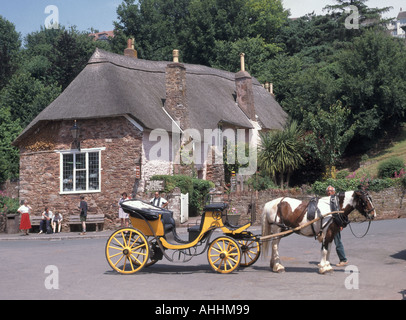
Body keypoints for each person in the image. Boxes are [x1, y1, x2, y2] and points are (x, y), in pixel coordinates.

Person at [326, 185, 348, 267]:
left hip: (335, 224)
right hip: (327, 225)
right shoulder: (326, 200)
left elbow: (342, 212)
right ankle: (324, 260)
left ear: (334, 192)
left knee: (337, 242)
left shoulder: (337, 201)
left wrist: (341, 224)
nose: (329, 192)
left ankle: (343, 260)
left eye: (331, 191)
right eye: (328, 191)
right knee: (326, 242)